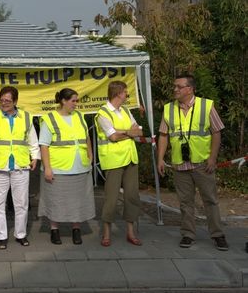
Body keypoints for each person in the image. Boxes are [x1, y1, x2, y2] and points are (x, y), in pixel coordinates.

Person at [157, 74, 228, 251]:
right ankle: (188, 234)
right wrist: (160, 158)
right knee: (185, 202)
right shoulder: (169, 109)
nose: (175, 89)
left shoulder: (206, 105)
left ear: (190, 89)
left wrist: (213, 158)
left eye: (179, 87)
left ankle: (218, 235)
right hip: (180, 164)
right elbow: (164, 135)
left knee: (210, 200)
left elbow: (216, 132)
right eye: (175, 86)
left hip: (202, 163)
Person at [0, 86, 40, 250]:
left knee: (21, 203)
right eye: (2, 100)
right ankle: (1, 236)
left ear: (15, 101)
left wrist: (35, 157)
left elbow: (32, 140)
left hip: (20, 164)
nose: (4, 103)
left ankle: (21, 234)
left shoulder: (26, 117)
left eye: (7, 100)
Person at [38, 88, 95, 245]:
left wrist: (90, 156)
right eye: (73, 101)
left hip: (80, 166)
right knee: (55, 200)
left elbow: (86, 138)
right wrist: (47, 168)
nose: (76, 104)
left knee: (78, 200)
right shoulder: (49, 119)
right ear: (63, 101)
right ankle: (54, 230)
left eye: (77, 100)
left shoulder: (80, 117)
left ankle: (76, 229)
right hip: (59, 167)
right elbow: (43, 145)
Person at [95, 80, 143, 247]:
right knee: (111, 198)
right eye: (126, 93)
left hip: (130, 157)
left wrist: (123, 131)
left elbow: (139, 131)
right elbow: (112, 136)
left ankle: (131, 232)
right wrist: (129, 132)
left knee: (132, 195)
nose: (127, 95)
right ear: (118, 93)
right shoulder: (103, 113)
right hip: (113, 159)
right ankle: (106, 232)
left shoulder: (125, 110)